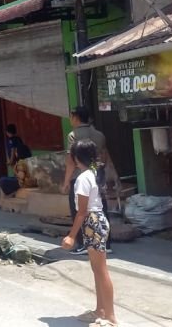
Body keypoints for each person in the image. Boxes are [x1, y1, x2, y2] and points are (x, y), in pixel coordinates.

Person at [62, 139, 118, 327]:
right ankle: (100, 310)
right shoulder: (93, 173)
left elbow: (82, 211)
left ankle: (110, 317)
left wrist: (71, 235)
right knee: (97, 269)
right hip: (96, 221)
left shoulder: (83, 178)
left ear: (76, 158)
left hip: (91, 222)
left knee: (101, 270)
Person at [63, 106, 119, 255]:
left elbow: (70, 161)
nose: (70, 120)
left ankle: (82, 244)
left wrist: (66, 181)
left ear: (75, 117)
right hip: (97, 175)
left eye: (71, 117)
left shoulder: (73, 135)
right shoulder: (99, 135)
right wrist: (98, 169)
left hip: (79, 176)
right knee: (101, 207)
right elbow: (104, 156)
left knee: (79, 210)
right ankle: (106, 243)